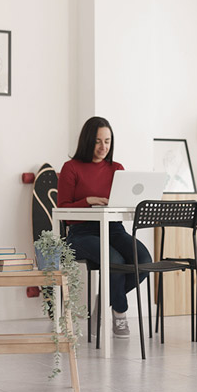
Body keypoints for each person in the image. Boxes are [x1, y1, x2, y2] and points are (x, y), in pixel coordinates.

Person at [57, 116, 152, 338]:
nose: (103, 147)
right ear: (88, 141)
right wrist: (88, 200)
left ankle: (106, 299)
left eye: (107, 141)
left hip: (113, 229)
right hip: (82, 233)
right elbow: (62, 207)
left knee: (144, 261)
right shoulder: (71, 168)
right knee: (115, 261)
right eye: (98, 141)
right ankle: (120, 314)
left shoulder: (117, 168)